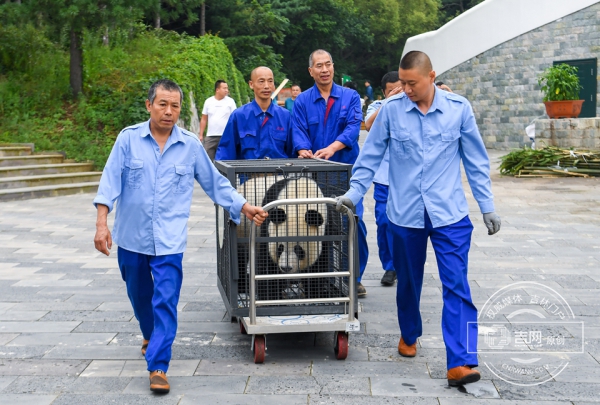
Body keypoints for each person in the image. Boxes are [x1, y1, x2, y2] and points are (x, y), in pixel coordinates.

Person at [336, 51, 501, 386]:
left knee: (457, 285)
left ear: (431, 76)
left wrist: (487, 205)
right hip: (404, 214)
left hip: (449, 214)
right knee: (408, 283)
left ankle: (461, 361)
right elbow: (370, 156)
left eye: (412, 83)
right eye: (403, 82)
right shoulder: (391, 112)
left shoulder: (458, 109)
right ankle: (409, 334)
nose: (405, 89)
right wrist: (354, 194)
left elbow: (476, 160)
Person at [93, 79, 268, 394]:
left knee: (166, 300)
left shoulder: (189, 145)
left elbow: (214, 182)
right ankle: (150, 334)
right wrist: (101, 223)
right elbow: (109, 183)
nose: (169, 111)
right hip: (131, 238)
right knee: (139, 296)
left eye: (174, 106)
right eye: (163, 104)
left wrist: (243, 206)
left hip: (169, 241)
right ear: (149, 105)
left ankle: (158, 365)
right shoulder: (128, 140)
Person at [292, 49, 369, 297]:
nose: (324, 70)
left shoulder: (351, 96)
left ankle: (353, 277)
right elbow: (299, 129)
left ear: (333, 67)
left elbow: (353, 126)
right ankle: (319, 279)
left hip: (346, 173)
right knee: (315, 226)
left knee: (353, 224)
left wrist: (333, 147)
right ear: (311, 71)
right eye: (319, 66)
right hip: (314, 175)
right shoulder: (303, 100)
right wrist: (303, 149)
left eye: (328, 65)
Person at [363, 71, 403, 287]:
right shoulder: (377, 106)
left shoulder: (411, 107)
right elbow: (369, 126)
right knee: (384, 222)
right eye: (391, 91)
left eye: (400, 89)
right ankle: (389, 266)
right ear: (383, 92)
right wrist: (389, 102)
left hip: (408, 180)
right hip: (383, 178)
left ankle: (404, 264)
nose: (398, 94)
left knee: (407, 225)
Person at [216, 67, 293, 160]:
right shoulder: (239, 116)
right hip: (248, 173)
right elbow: (226, 152)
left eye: (270, 81)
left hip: (280, 173)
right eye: (261, 81)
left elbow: (293, 151)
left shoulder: (285, 116)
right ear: (251, 84)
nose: (266, 86)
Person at [199, 80, 237, 161]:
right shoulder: (208, 101)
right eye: (224, 88)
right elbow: (204, 119)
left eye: (227, 88)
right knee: (207, 160)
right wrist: (201, 135)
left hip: (225, 136)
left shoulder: (230, 102)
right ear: (217, 90)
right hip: (211, 136)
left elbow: (234, 118)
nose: (227, 90)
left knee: (225, 160)